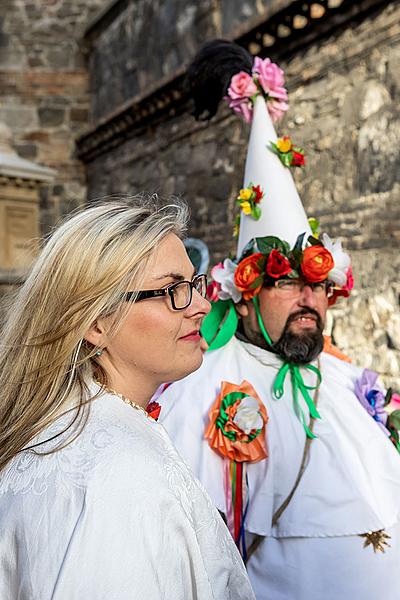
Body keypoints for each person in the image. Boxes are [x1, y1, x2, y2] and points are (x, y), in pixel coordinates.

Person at [158, 41, 400, 600]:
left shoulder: (342, 378)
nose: (309, 298)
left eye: (317, 284)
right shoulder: (202, 390)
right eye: (288, 283)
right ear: (243, 296)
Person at [0, 196, 255, 600]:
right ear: (96, 323)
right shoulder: (122, 476)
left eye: (194, 284)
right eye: (172, 290)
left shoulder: (73, 425)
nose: (202, 306)